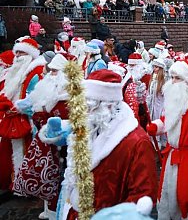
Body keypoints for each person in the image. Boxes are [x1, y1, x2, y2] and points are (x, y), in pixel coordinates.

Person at [42, 69, 158, 219]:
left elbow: (143, 197)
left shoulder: (137, 142)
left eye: (88, 106)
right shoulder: (92, 124)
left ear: (107, 106)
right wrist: (54, 132)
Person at [146, 60, 188, 220]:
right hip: (172, 155)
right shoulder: (173, 97)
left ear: (187, 81)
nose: (172, 82)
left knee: (186, 197)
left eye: (177, 78)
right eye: (172, 77)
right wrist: (157, 126)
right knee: (168, 195)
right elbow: (166, 119)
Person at [13, 53, 71, 220]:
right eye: (50, 70)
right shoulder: (45, 87)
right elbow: (29, 102)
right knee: (45, 177)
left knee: (59, 178)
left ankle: (58, 212)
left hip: (62, 146)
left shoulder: (68, 94)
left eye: (55, 71)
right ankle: (49, 210)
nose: (51, 74)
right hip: (43, 142)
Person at [0, 38, 45, 190]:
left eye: (21, 52)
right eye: (16, 52)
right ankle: (15, 182)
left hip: (29, 121)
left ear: (30, 54)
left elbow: (37, 97)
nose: (18, 56)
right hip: (13, 119)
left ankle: (26, 185)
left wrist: (19, 108)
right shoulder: (16, 71)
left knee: (28, 153)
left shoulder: (36, 72)